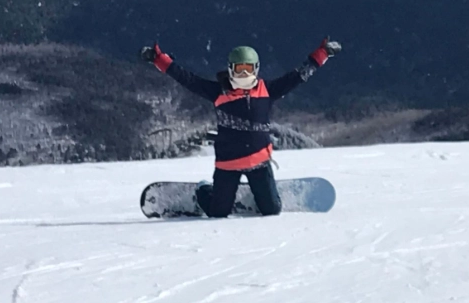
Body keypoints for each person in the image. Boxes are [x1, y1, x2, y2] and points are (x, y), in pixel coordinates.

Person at [139, 37, 342, 218]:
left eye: (248, 68)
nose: (244, 73)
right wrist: (159, 59)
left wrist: (322, 54)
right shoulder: (218, 92)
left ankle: (256, 194)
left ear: (256, 69)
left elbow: (298, 76)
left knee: (272, 210)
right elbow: (187, 79)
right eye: (239, 69)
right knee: (217, 213)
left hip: (260, 163)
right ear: (230, 69)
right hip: (228, 164)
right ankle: (203, 190)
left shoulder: (267, 90)